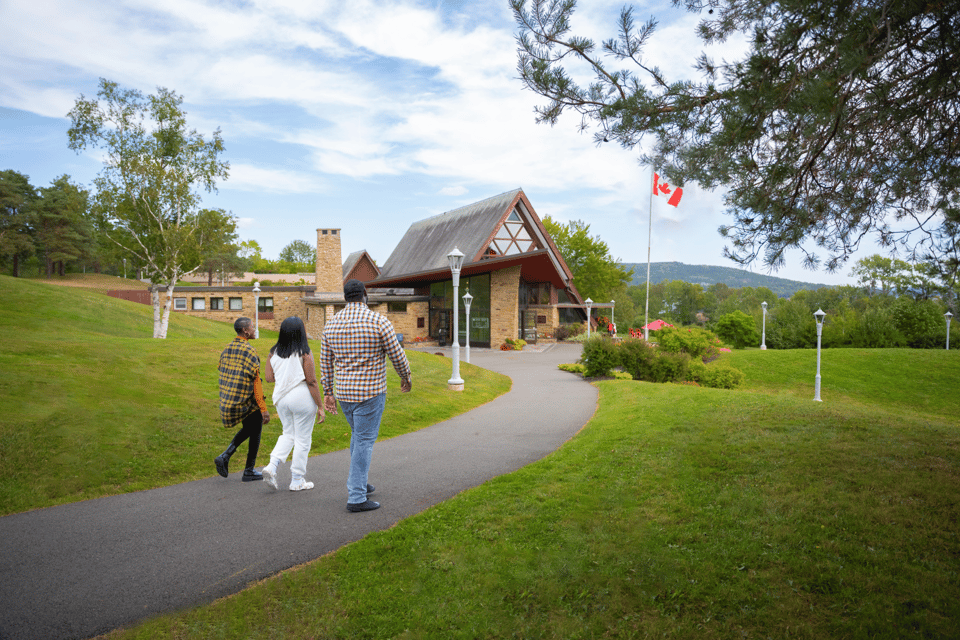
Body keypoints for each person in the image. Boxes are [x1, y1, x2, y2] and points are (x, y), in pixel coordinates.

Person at [320, 279, 412, 512]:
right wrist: (406, 376)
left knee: (357, 436)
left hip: (344, 394)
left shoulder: (330, 325)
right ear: (364, 294)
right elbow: (397, 354)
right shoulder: (379, 321)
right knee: (363, 440)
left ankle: (359, 481)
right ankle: (357, 497)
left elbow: (325, 363)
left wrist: (328, 392)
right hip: (370, 392)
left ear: (345, 297)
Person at [261, 317, 325, 491]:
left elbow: (269, 378)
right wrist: (320, 406)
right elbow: (311, 381)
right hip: (301, 396)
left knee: (288, 434)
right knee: (303, 440)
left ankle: (271, 466)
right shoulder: (305, 352)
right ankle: (297, 480)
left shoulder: (273, 352)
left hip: (281, 398)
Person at [215, 317, 270, 481]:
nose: (254, 329)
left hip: (229, 400)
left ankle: (227, 457)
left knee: (250, 428)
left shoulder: (227, 348)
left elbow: (223, 371)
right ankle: (248, 470)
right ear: (246, 331)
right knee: (257, 425)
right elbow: (256, 384)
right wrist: (264, 408)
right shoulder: (249, 351)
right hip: (245, 401)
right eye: (252, 327)